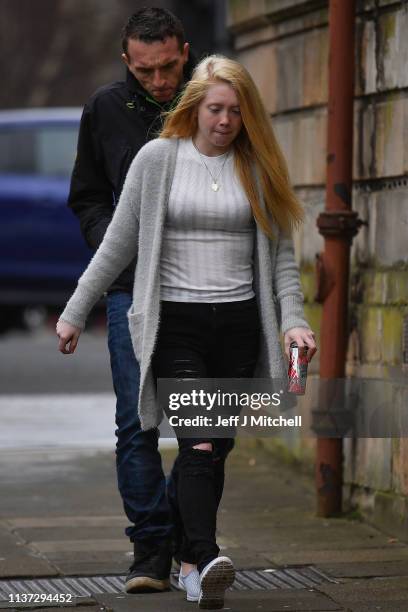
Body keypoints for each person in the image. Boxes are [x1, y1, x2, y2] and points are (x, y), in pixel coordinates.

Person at [57, 55, 317, 609]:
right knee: (197, 438)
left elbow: (282, 263)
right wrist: (75, 310)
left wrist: (293, 320)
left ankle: (193, 564)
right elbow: (118, 243)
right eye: (216, 109)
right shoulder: (158, 159)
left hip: (240, 325)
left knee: (213, 450)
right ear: (195, 107)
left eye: (236, 112)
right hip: (176, 324)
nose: (225, 121)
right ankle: (205, 554)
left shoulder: (259, 166)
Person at [66, 7, 196, 594]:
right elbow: (87, 196)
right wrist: (115, 245)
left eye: (168, 66)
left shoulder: (212, 103)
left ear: (184, 51)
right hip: (127, 288)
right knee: (134, 423)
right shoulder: (104, 109)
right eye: (145, 71)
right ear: (127, 61)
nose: (159, 81)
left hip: (204, 284)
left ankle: (186, 535)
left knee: (209, 421)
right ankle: (151, 548)